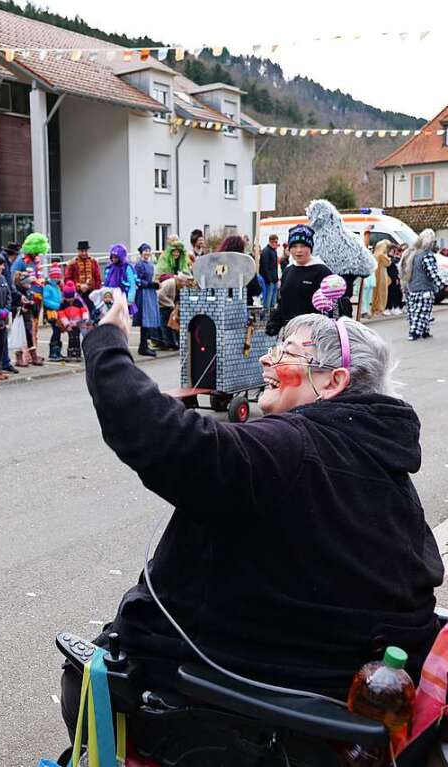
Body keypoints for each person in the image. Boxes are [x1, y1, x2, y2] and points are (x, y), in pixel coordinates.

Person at [62, 292, 442, 746]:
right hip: (331, 690)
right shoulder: (383, 463)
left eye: (285, 352)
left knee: (84, 675)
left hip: (238, 702)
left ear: (334, 380)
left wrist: (108, 343)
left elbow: (164, 439)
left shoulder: (295, 447)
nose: (266, 357)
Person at [265, 225, 332, 336]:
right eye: (294, 246)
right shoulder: (288, 270)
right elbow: (284, 301)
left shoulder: (322, 271)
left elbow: (333, 306)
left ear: (310, 247)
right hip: (289, 332)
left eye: (303, 246)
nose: (298, 250)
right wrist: (275, 321)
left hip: (313, 333)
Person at [402, 228, 445, 341]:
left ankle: (424, 330)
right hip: (424, 287)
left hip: (412, 287)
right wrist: (443, 285)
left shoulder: (413, 254)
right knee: (423, 311)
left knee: (415, 310)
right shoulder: (427, 255)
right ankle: (415, 332)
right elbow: (432, 273)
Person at [133, 243, 161, 357]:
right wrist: (150, 284)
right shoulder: (139, 265)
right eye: (145, 251)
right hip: (143, 293)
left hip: (149, 293)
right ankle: (142, 346)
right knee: (144, 319)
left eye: (149, 250)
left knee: (149, 319)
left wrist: (155, 284)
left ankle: (145, 344)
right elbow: (138, 280)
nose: (147, 253)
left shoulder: (149, 264)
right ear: (141, 253)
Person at [65, 241, 102, 310]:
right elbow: (67, 279)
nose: (84, 253)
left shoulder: (93, 262)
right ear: (78, 251)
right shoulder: (72, 263)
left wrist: (95, 289)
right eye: (82, 251)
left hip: (91, 292)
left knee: (93, 312)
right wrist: (79, 286)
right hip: (77, 293)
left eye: (85, 251)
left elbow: (98, 278)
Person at [58, 280, 88, 361]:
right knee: (71, 338)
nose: (69, 300)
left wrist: (84, 320)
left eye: (71, 298)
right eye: (67, 298)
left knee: (77, 337)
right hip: (69, 324)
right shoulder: (63, 304)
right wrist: (66, 325)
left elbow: (84, 311)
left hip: (78, 323)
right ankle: (70, 353)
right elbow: (62, 315)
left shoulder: (78, 302)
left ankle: (77, 353)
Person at [44, 264, 65, 361]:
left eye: (58, 277)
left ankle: (57, 352)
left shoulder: (57, 287)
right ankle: (53, 353)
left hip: (58, 311)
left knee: (58, 331)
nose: (57, 279)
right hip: (51, 312)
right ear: (51, 276)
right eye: (55, 277)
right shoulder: (48, 287)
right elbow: (46, 300)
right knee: (56, 331)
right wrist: (57, 305)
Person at [155, 277, 181, 351]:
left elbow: (177, 299)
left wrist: (175, 307)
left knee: (169, 325)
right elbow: (160, 295)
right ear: (180, 281)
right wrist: (171, 304)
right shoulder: (170, 283)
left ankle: (171, 343)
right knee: (165, 325)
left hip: (168, 306)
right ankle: (167, 343)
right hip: (162, 305)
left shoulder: (179, 286)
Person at [260, 234, 280, 309]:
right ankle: (266, 315)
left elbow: (275, 267)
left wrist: (276, 279)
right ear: (271, 241)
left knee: (273, 301)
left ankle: (271, 315)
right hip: (269, 280)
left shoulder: (273, 251)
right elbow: (265, 267)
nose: (276, 243)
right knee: (267, 301)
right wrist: (269, 279)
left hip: (274, 279)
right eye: (275, 242)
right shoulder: (266, 251)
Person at [387, 246, 405, 315]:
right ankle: (390, 307)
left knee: (397, 294)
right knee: (391, 294)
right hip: (390, 279)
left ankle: (395, 307)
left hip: (396, 278)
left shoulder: (394, 259)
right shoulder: (389, 259)